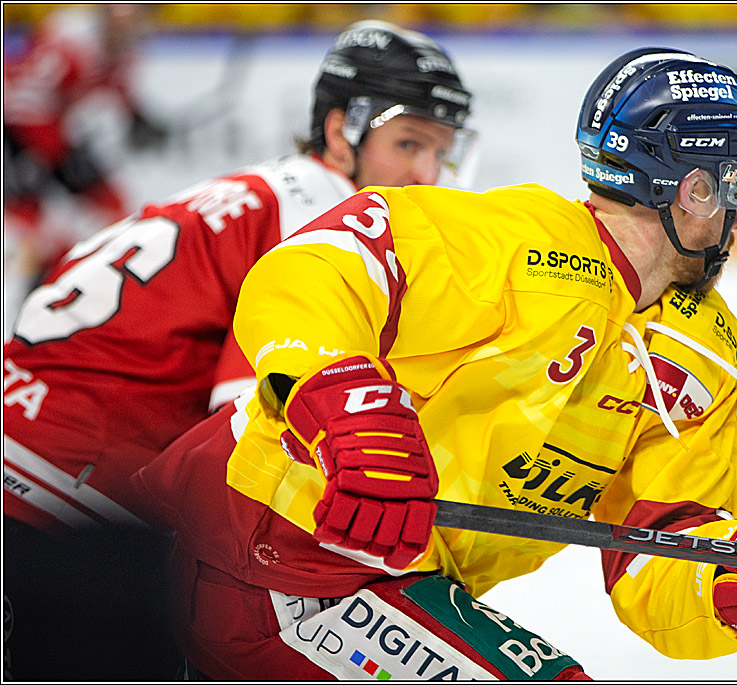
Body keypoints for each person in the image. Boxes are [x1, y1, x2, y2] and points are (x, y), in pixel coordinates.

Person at [132, 47, 737, 680]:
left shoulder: (706, 344)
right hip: (260, 545)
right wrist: (343, 404)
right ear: (690, 186)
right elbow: (315, 264)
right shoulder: (512, 240)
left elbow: (662, 551)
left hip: (391, 582)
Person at [2, 20, 474, 681]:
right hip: (67, 507)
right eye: (408, 143)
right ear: (341, 133)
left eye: (442, 152)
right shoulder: (328, 220)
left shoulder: (270, 191)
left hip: (35, 466)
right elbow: (250, 415)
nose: (428, 174)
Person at [3, 4, 169, 285]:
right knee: (27, 226)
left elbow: (117, 87)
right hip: (18, 132)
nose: (135, 21)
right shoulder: (68, 40)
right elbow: (19, 100)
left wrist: (137, 118)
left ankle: (86, 282)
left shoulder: (127, 47)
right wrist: (51, 152)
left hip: (54, 134)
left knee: (113, 208)